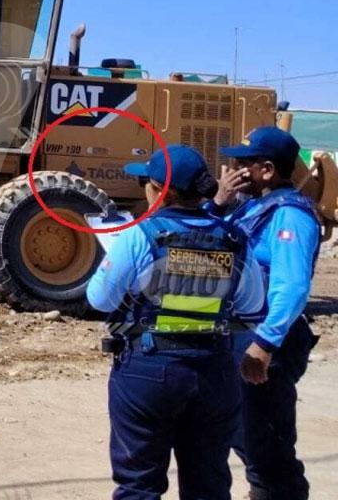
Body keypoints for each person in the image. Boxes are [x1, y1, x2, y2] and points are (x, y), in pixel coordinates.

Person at [87, 145, 264, 500]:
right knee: (208, 485)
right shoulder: (234, 239)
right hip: (213, 371)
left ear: (161, 192)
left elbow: (100, 298)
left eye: (147, 184)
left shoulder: (139, 235)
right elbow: (252, 304)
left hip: (147, 372)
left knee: (139, 484)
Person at [212, 126, 322, 500]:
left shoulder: (291, 216)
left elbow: (291, 285)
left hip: (268, 341)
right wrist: (218, 202)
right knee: (244, 433)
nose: (234, 169)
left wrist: (265, 343)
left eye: (244, 164)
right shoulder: (253, 205)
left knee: (267, 444)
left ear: (267, 169)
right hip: (244, 333)